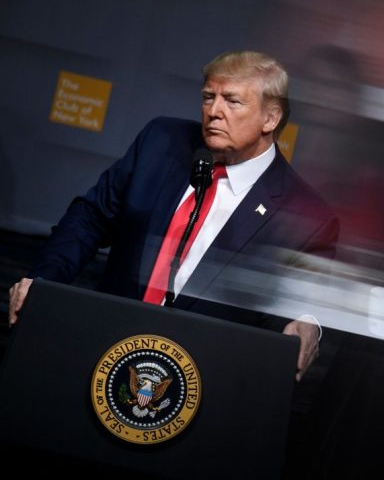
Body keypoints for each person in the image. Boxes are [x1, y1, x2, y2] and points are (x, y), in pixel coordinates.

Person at [7, 51, 339, 380]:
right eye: (209, 97)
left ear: (270, 118)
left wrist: (305, 322)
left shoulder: (306, 216)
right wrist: (43, 282)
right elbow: (90, 217)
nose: (214, 112)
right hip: (101, 346)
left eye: (232, 101)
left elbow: (297, 305)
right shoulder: (161, 141)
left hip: (201, 379)